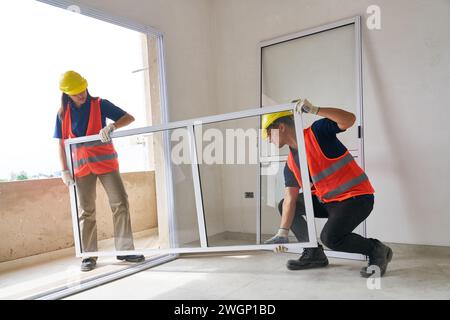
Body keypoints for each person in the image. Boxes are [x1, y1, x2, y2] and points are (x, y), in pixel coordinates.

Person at [262, 98, 393, 278]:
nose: (268, 139)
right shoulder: (290, 163)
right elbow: (290, 199)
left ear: (280, 127)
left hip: (356, 198)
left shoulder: (317, 133)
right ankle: (313, 253)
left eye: (268, 133)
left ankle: (376, 249)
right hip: (329, 201)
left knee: (330, 238)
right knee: (284, 203)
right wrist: (282, 233)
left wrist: (315, 109)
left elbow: (349, 120)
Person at [54, 70, 145, 272]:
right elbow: (61, 144)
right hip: (81, 168)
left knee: (120, 203)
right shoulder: (62, 114)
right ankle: (88, 256)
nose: (82, 95)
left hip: (106, 164)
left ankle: (125, 250)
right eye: (76, 93)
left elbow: (129, 117)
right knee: (86, 211)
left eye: (83, 89)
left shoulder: (100, 104)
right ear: (67, 94)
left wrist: (112, 127)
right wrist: (64, 170)